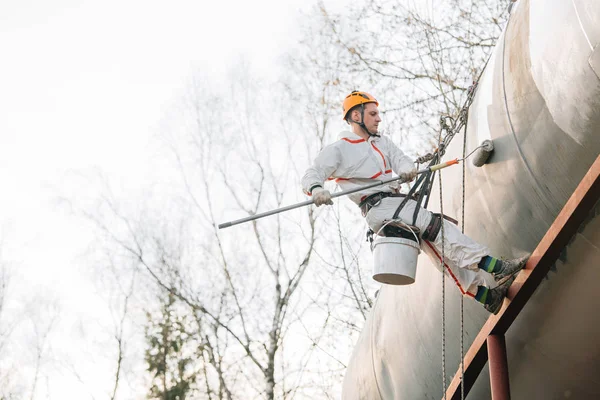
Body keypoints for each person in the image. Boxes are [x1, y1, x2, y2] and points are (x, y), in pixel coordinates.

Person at [301, 90, 528, 314]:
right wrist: (317, 189)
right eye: (372, 114)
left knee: (437, 248)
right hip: (379, 207)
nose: (378, 118)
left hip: (395, 204)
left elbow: (401, 161)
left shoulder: (382, 143)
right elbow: (313, 173)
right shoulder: (340, 149)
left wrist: (407, 170)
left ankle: (487, 297)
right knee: (435, 227)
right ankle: (495, 267)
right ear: (356, 116)